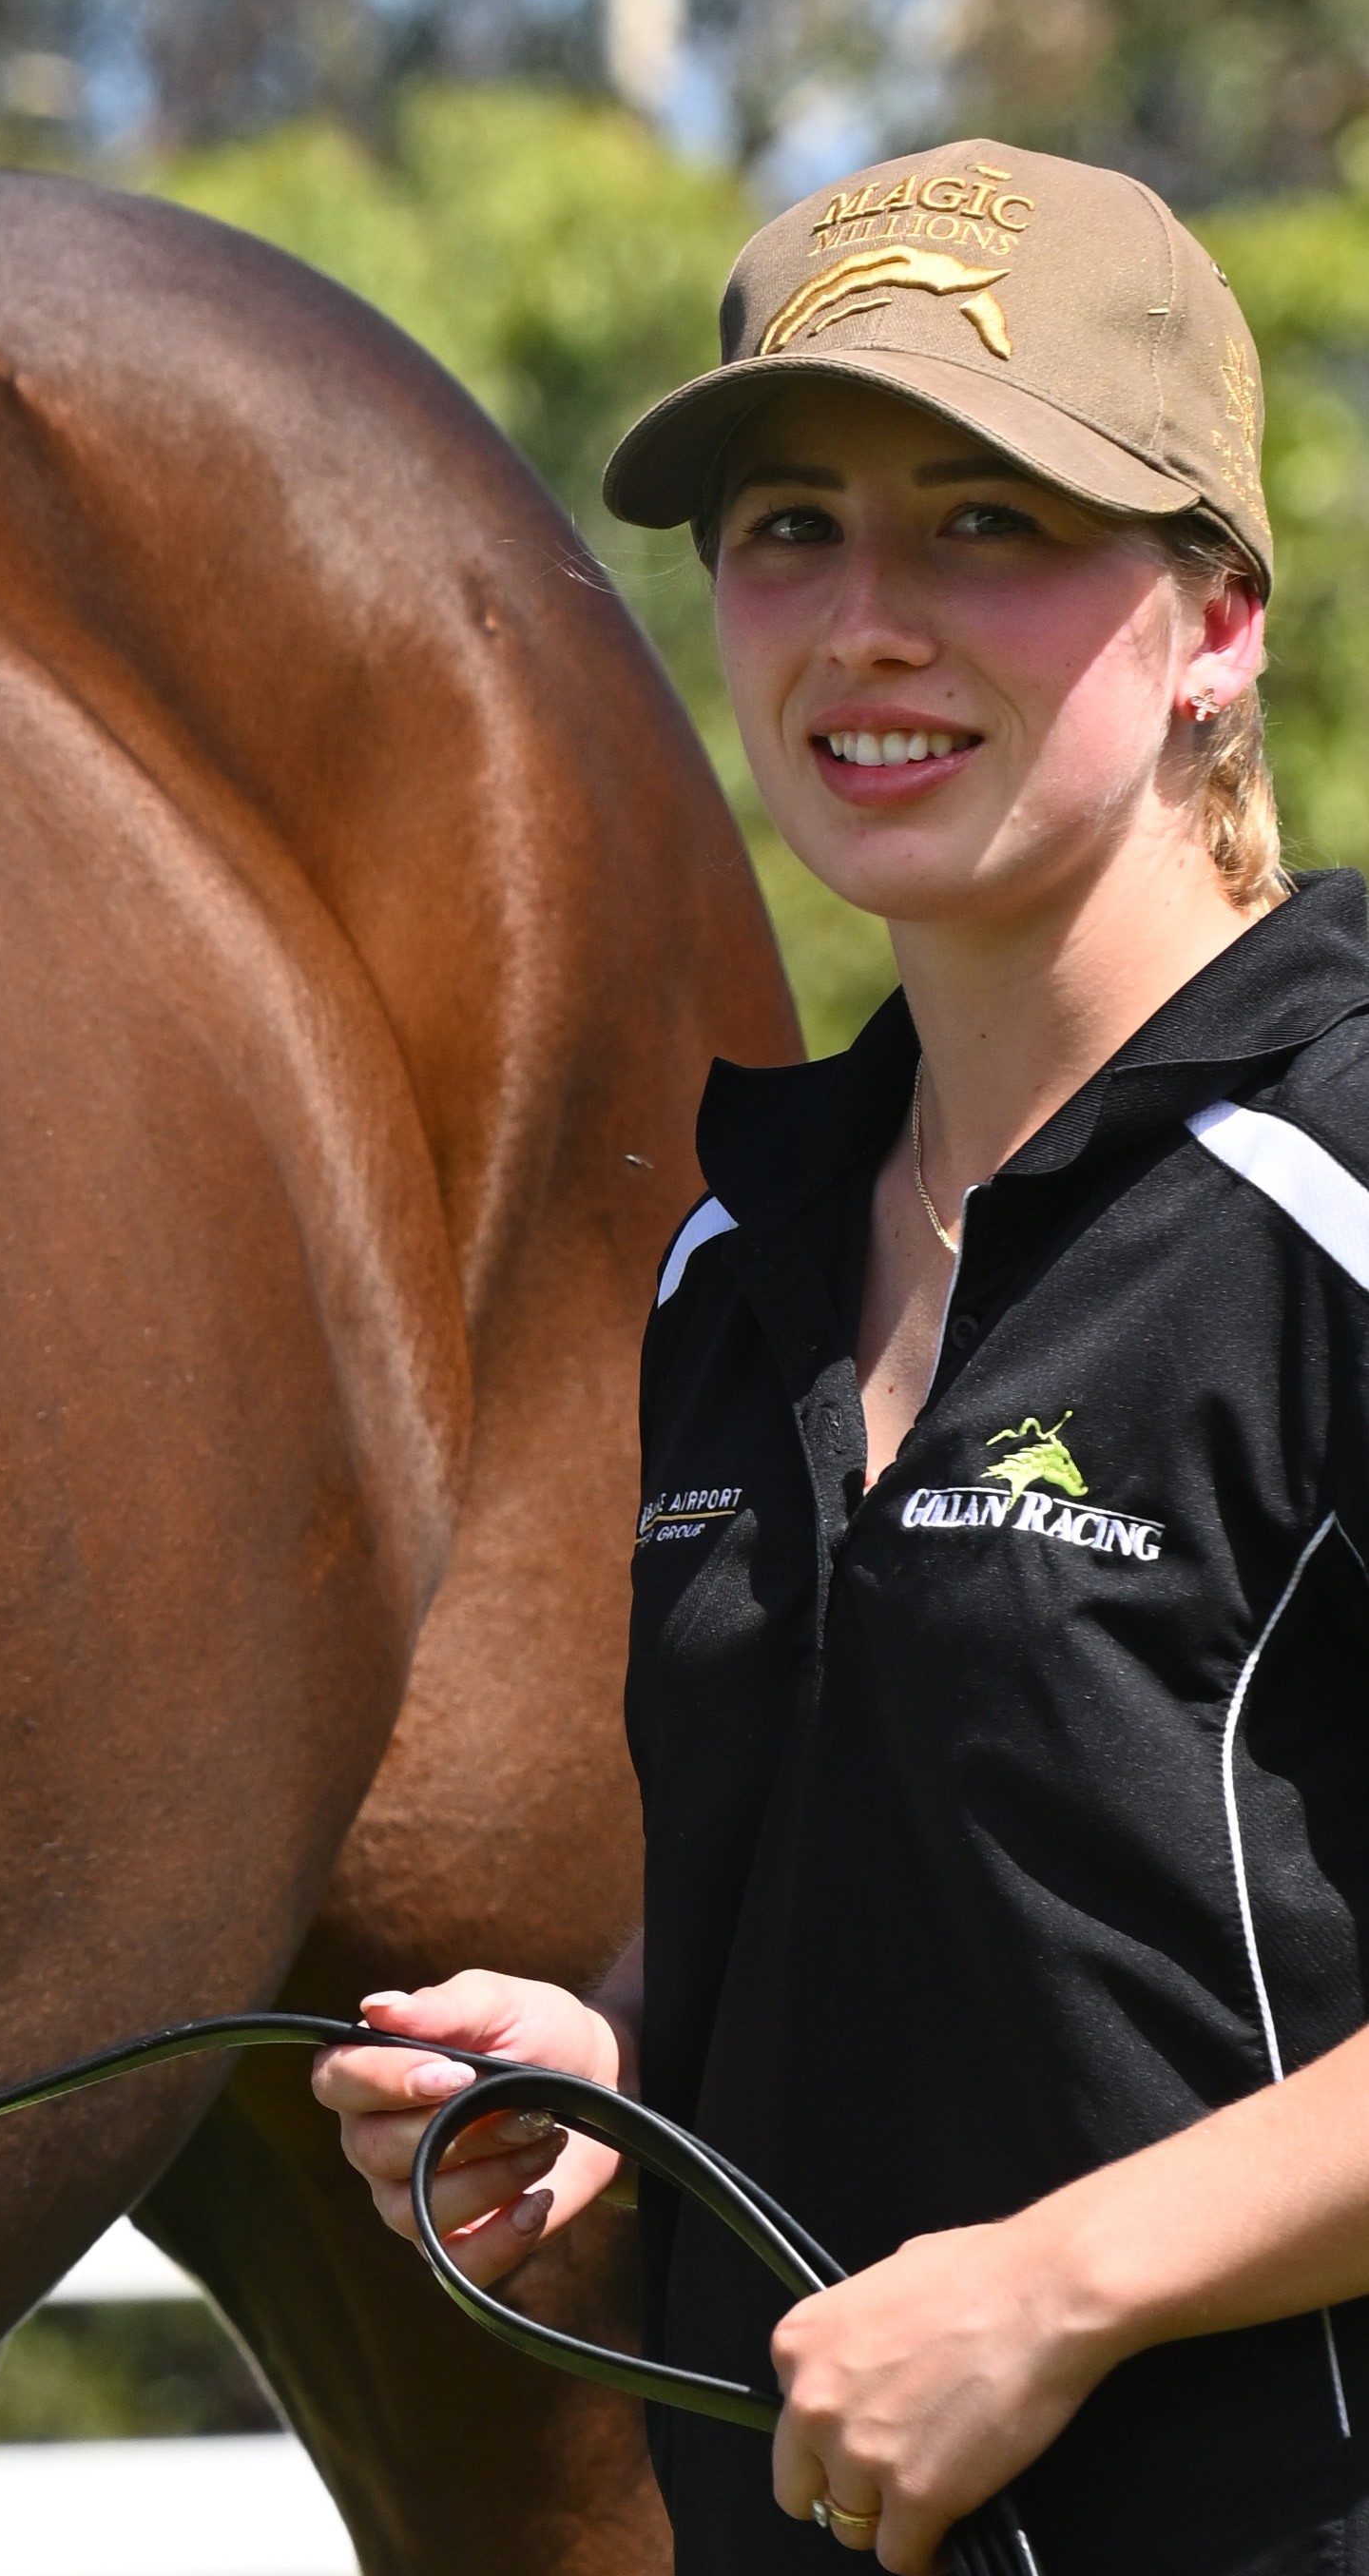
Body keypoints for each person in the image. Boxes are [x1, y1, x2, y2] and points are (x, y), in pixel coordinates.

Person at [314, 139, 1369, 2574]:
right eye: (788, 529)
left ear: (1216, 616)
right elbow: (940, 1857)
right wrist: (617, 2063)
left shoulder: (1334, 1183)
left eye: (985, 527)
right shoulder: (739, 1255)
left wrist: (1056, 2291)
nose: (860, 621)